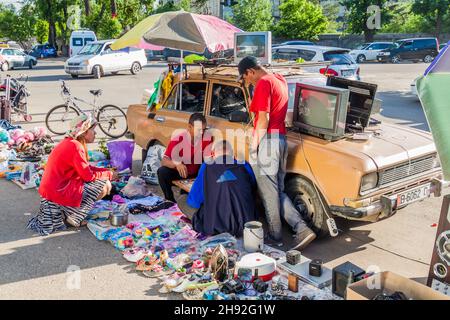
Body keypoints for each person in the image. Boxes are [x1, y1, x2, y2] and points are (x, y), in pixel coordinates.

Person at [238, 56, 316, 250]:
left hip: (267, 142)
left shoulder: (263, 82)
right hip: (281, 140)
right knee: (277, 191)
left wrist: (255, 145)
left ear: (250, 71)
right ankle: (301, 228)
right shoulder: (279, 79)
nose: (247, 81)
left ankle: (275, 236)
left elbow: (262, 119)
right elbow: (260, 110)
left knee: (268, 194)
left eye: (245, 77)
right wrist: (249, 90)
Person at [27, 114, 117, 236]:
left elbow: (86, 168)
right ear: (84, 132)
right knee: (105, 185)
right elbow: (88, 177)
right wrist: (109, 175)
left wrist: (107, 171)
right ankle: (73, 216)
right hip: (58, 190)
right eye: (93, 130)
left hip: (53, 188)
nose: (95, 133)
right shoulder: (76, 146)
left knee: (103, 180)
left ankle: (69, 212)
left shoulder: (70, 142)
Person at [187, 140, 257, 237]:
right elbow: (252, 188)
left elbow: (194, 201)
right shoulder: (244, 165)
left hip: (216, 228)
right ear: (233, 154)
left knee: (182, 200)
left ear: (212, 154)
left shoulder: (207, 167)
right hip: (246, 223)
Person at [157, 113, 212, 203]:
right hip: (180, 173)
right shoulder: (178, 139)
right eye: (199, 130)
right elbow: (164, 160)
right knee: (162, 172)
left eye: (204, 129)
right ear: (189, 127)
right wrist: (177, 164)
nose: (201, 133)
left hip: (196, 174)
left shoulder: (207, 138)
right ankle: (169, 200)